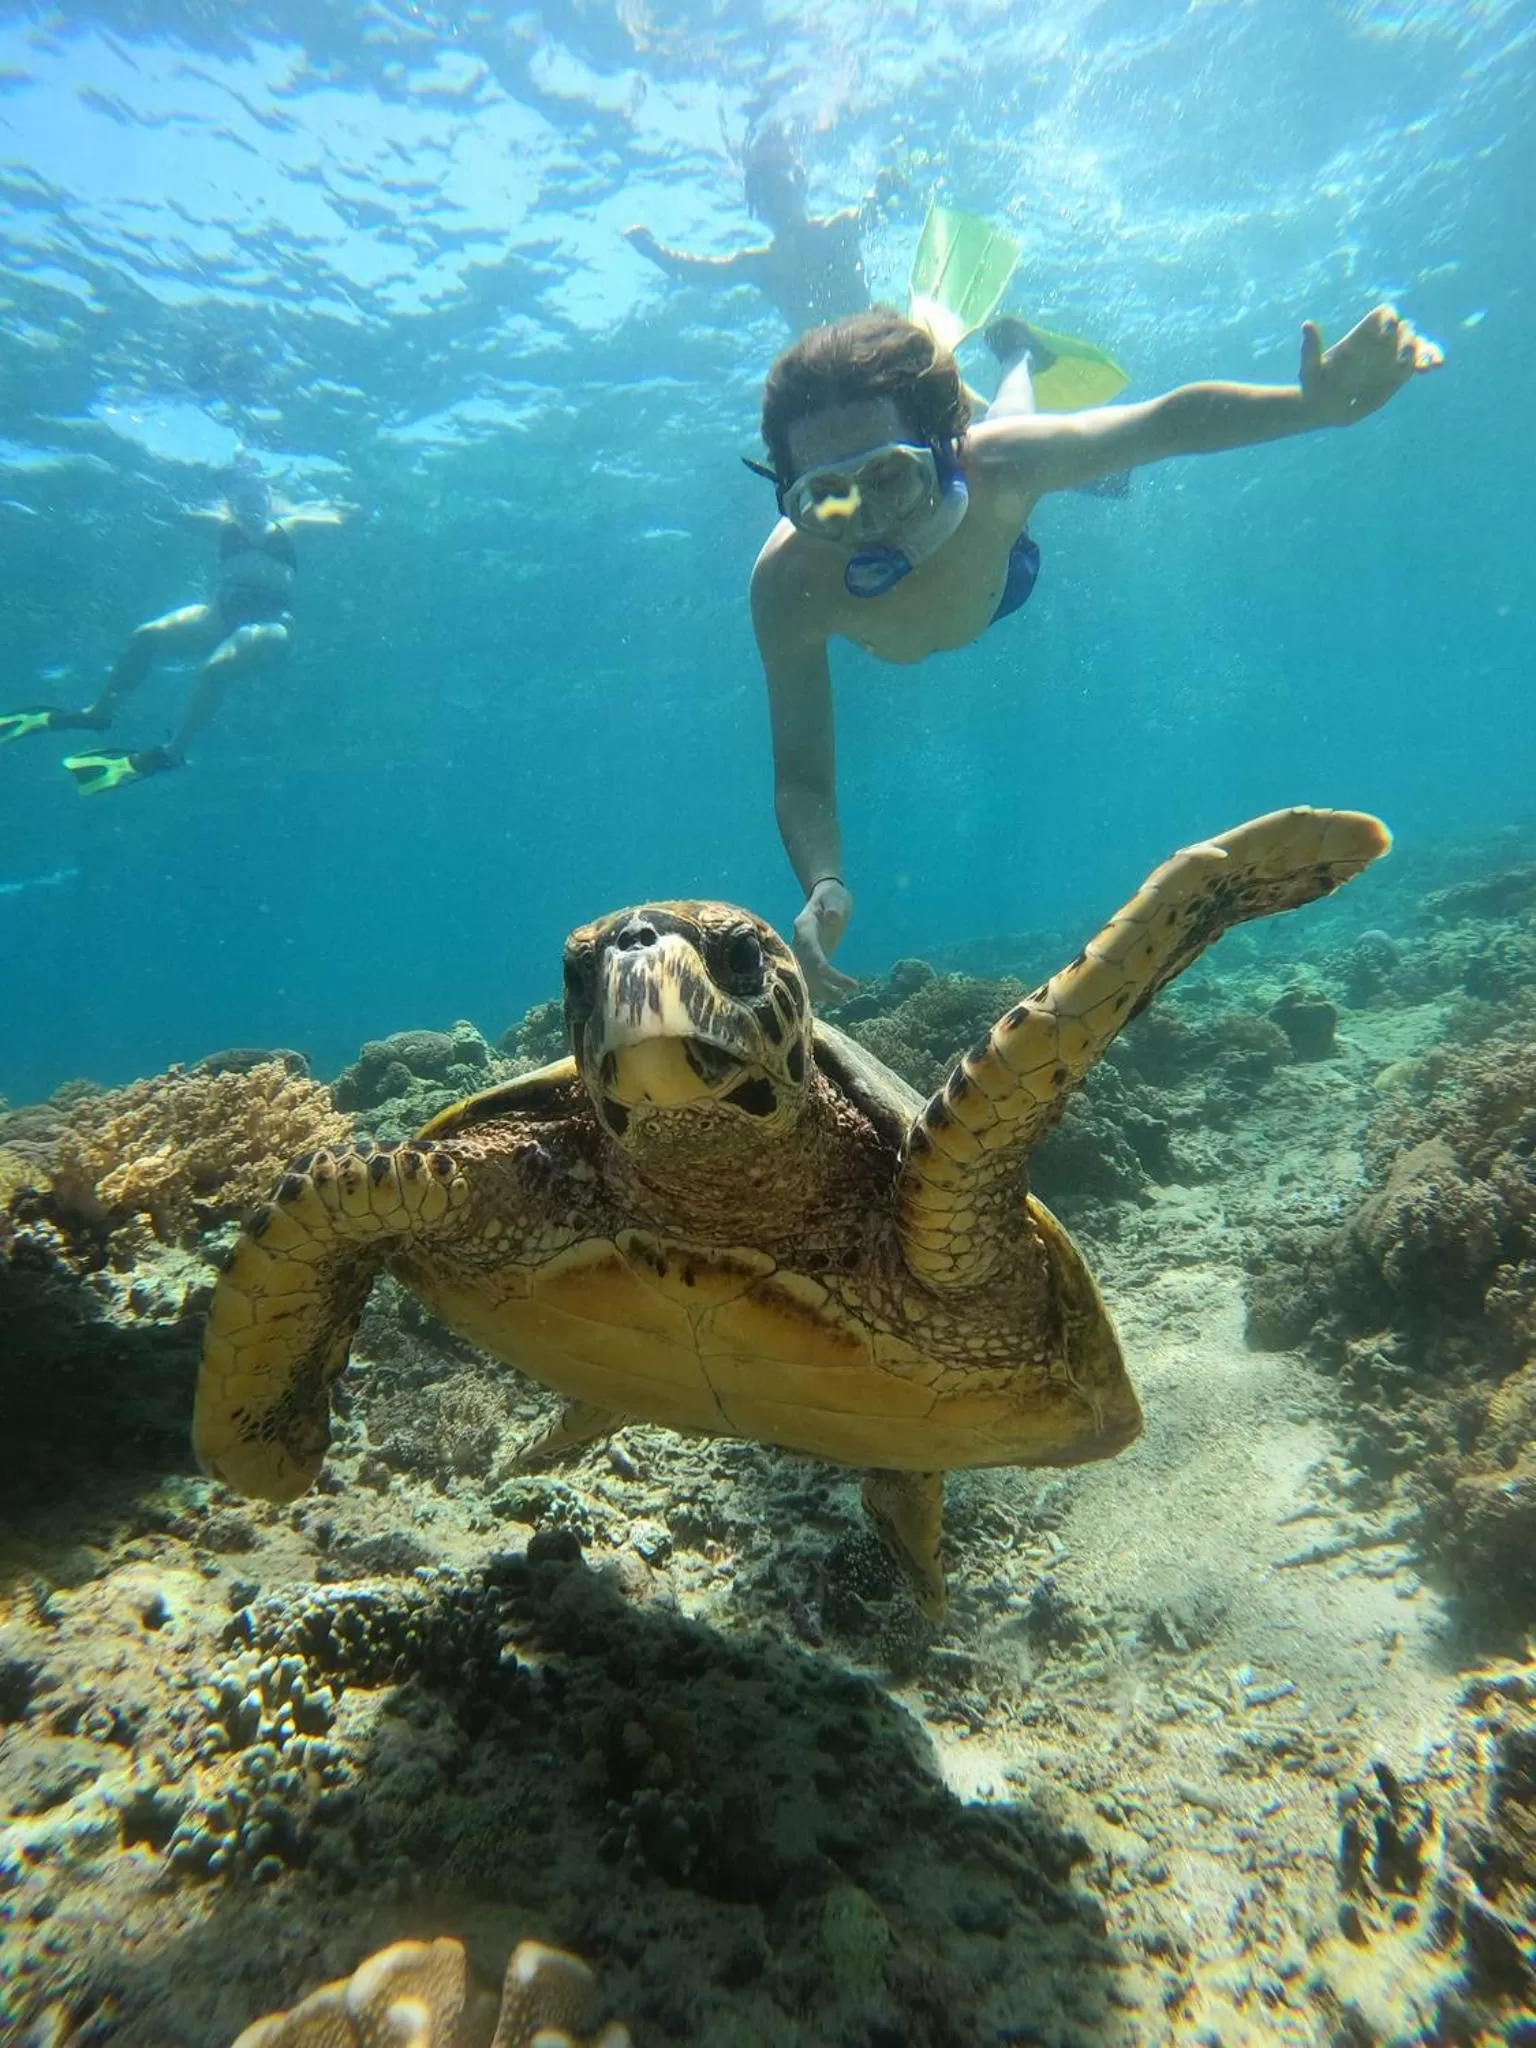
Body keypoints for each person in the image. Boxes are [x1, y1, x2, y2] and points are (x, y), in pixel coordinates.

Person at [748, 302, 1444, 1000]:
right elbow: (801, 774)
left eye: (889, 477)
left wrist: (1311, 405)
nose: (868, 523)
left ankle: (1016, 355)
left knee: (1010, 433)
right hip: (976, 544)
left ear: (940, 448)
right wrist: (825, 880)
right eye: (827, 499)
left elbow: (1170, 421)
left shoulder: (998, 466)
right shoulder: (786, 583)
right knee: (1014, 437)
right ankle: (1007, 362)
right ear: (790, 498)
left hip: (1004, 569)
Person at [0, 458, 342, 796]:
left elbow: (343, 520)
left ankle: (173, 752)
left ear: (270, 496)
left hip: (273, 624)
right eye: (242, 492)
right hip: (219, 614)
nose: (252, 500)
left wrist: (341, 509)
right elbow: (166, 511)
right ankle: (98, 714)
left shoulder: (293, 527)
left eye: (258, 492)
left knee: (216, 668)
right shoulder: (221, 525)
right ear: (231, 499)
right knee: (145, 637)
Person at [624, 119, 887, 333]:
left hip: (869, 348)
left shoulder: (837, 229)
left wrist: (884, 190)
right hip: (835, 368)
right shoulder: (762, 264)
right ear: (754, 208)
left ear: (800, 183)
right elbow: (699, 271)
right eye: (760, 192)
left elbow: (874, 211)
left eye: (776, 186)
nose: (772, 200)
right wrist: (655, 253)